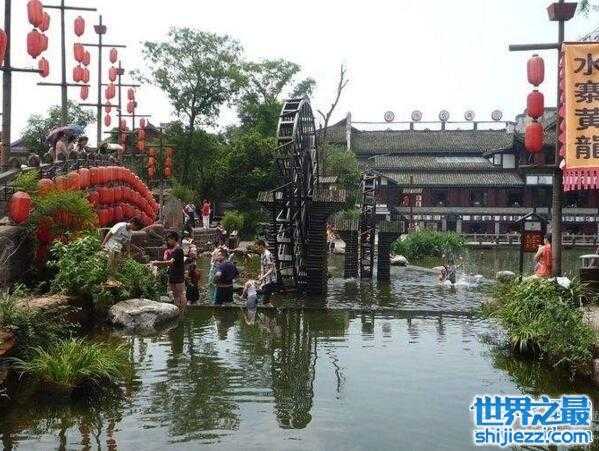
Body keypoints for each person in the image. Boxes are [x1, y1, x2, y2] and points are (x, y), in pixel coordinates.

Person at [152, 231, 187, 311]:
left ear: (173, 239)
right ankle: (178, 309)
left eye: (168, 240)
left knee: (181, 293)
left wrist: (157, 263)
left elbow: (171, 262)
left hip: (178, 274)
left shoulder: (178, 250)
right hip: (172, 273)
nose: (168, 242)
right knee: (175, 294)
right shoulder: (173, 250)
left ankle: (183, 310)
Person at [255, 239, 277, 305]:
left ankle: (270, 309)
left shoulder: (267, 254)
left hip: (270, 279)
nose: (256, 248)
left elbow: (271, 268)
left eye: (257, 247)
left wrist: (263, 276)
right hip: (265, 279)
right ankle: (269, 307)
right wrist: (261, 275)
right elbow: (262, 266)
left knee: (265, 300)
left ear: (261, 246)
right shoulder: (262, 254)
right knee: (264, 298)